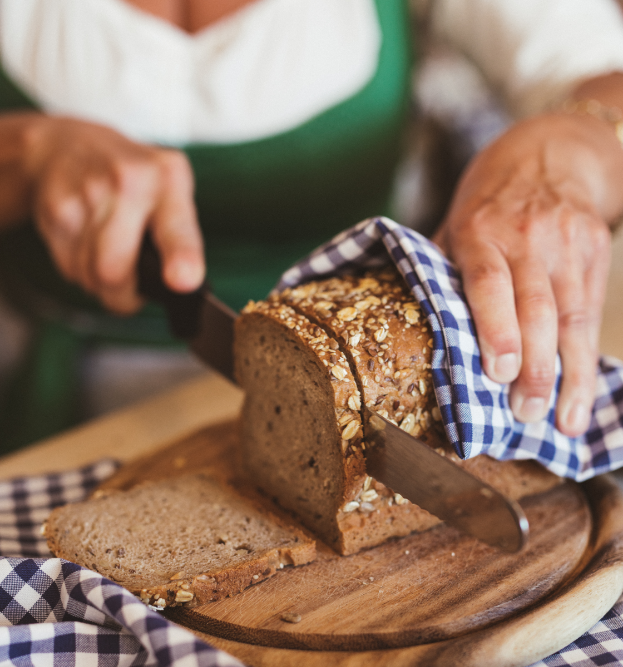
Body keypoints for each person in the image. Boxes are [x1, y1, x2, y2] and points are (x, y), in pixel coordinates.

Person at [0, 0, 622, 449]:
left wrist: (571, 148)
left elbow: (599, 71)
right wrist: (22, 157)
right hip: (40, 395)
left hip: (362, 388)